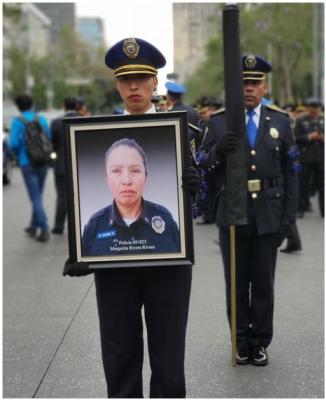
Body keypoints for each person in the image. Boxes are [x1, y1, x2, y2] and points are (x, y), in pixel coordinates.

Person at [63, 37, 200, 398]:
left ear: (156, 82)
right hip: (115, 268)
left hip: (169, 265)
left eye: (142, 78)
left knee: (168, 355)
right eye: (126, 79)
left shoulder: (187, 132)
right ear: (117, 84)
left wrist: (201, 183)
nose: (134, 86)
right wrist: (78, 249)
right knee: (119, 352)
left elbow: (204, 201)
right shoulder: (95, 133)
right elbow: (74, 192)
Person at [201, 54, 298, 366]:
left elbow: (291, 172)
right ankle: (240, 340)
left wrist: (288, 218)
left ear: (265, 85)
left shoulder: (281, 121)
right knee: (236, 283)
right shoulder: (218, 122)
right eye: (243, 82)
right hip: (233, 212)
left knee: (264, 285)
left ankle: (260, 342)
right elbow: (202, 168)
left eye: (255, 82)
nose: (249, 88)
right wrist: (218, 150)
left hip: (269, 212)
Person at [81, 138, 181, 256]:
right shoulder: (95, 225)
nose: (127, 181)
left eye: (135, 170)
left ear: (146, 177)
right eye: (116, 171)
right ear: (107, 179)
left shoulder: (165, 219)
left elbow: (181, 267)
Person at [9, 94, 52, 242]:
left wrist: (17, 154)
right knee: (38, 195)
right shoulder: (41, 119)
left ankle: (44, 228)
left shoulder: (17, 122)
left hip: (27, 163)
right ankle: (33, 226)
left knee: (35, 197)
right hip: (43, 162)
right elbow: (48, 137)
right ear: (32, 104)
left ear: (18, 106)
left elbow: (13, 144)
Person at [50, 96, 80, 234]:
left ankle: (59, 226)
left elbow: (53, 144)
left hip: (61, 165)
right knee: (79, 196)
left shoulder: (56, 122)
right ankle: (80, 226)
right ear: (77, 106)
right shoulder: (84, 120)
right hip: (80, 165)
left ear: (64, 106)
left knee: (62, 196)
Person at [295, 97, 324, 217]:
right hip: (306, 157)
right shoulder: (301, 120)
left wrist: (322, 137)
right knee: (303, 184)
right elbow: (296, 138)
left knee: (321, 185)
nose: (314, 110)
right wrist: (309, 137)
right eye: (312, 107)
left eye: (316, 107)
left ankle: (323, 210)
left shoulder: (323, 120)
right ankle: (301, 209)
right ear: (308, 108)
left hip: (320, 157)